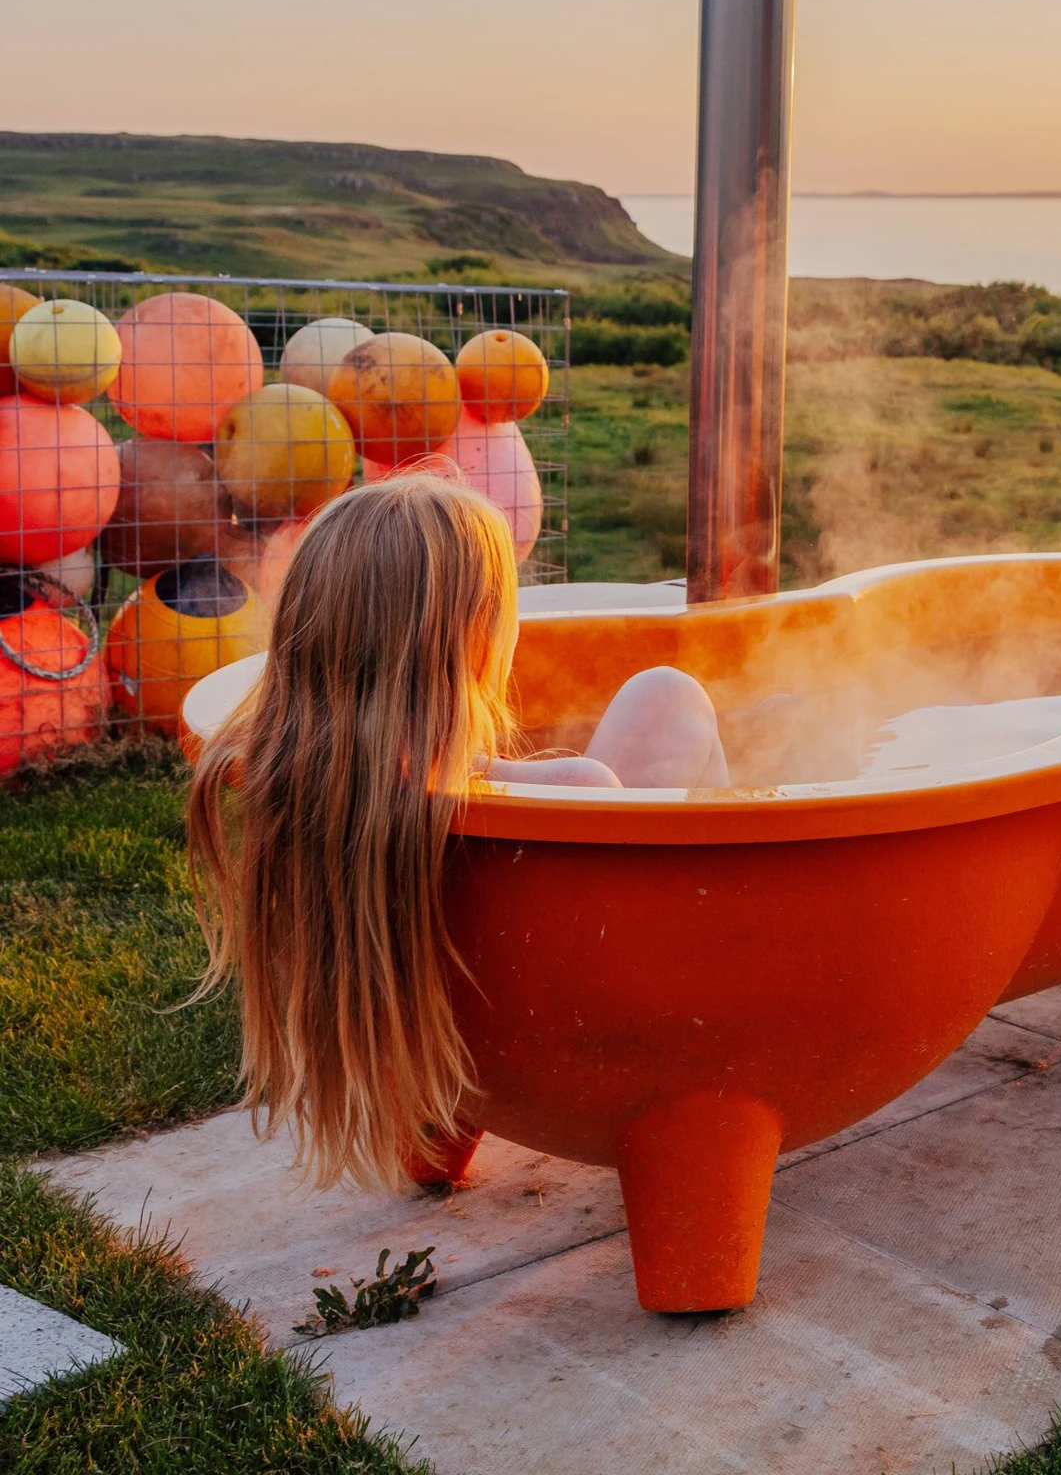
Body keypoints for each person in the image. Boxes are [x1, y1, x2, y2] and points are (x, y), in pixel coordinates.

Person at [185, 471, 726, 1191]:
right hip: (597, 1024)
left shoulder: (305, 770)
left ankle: (433, 1138)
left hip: (444, 1029)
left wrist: (481, 763)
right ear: (473, 635)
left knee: (656, 698)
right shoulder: (573, 794)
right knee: (671, 694)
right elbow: (580, 796)